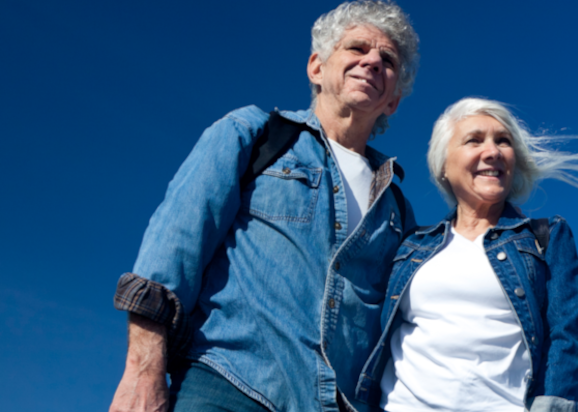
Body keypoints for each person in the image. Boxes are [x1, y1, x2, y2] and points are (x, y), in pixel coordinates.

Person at [108, 2, 419, 412]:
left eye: (388, 60)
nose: (372, 62)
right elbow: (174, 248)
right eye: (357, 48)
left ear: (393, 101)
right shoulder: (255, 134)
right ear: (316, 67)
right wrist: (142, 372)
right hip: (228, 387)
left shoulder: (398, 210)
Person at [357, 98, 578, 412]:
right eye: (474, 140)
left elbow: (566, 340)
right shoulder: (409, 245)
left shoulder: (547, 238)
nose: (493, 152)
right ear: (444, 165)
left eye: (503, 141)